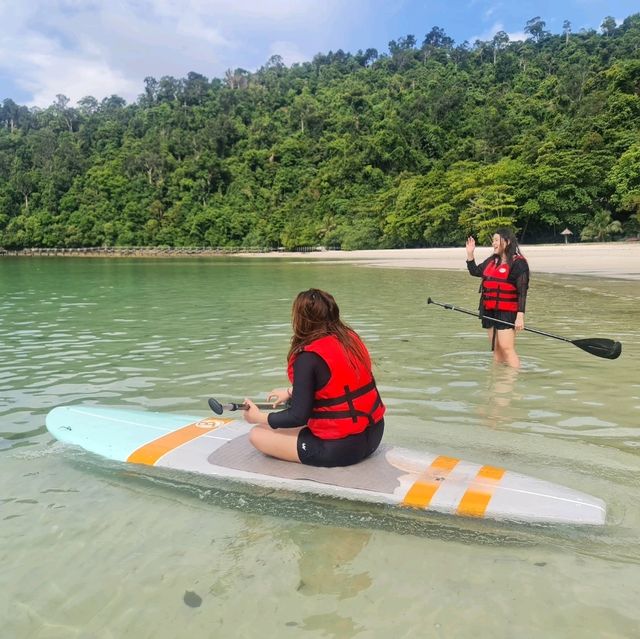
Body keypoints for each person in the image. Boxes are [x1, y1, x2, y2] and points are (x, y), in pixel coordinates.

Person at [243, 288, 385, 467]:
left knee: (257, 433)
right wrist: (290, 391)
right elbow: (339, 383)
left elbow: (298, 417)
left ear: (301, 320)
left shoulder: (307, 358)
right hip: (374, 434)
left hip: (340, 449)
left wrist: (258, 417)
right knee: (284, 422)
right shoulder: (351, 339)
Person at [465, 228, 529, 368]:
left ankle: (514, 379)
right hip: (489, 310)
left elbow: (522, 292)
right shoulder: (492, 261)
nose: (493, 243)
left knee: (507, 349)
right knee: (496, 350)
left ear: (507, 242)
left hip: (507, 312)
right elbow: (475, 271)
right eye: (493, 240)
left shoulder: (519, 263)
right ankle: (496, 379)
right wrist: (470, 254)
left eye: (496, 240)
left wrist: (520, 316)